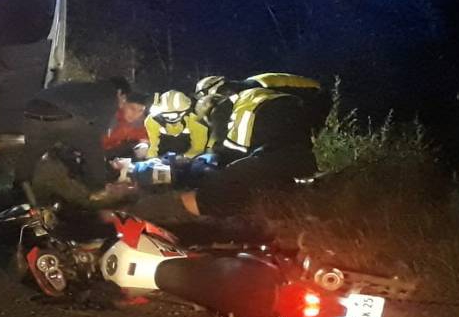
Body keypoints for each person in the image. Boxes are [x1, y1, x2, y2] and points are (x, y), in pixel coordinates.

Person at [129, 75, 323, 220]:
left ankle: (169, 212)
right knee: (274, 172)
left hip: (277, 135)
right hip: (298, 132)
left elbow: (226, 154)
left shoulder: (224, 106)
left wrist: (199, 167)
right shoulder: (257, 87)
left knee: (224, 182)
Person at [14, 76, 131, 192]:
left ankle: (20, 188)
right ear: (119, 92)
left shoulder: (83, 87)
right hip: (61, 115)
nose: (123, 102)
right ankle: (98, 189)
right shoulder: (110, 94)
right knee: (93, 147)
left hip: (31, 112)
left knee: (32, 152)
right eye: (124, 98)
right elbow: (98, 133)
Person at [144, 90, 208, 159]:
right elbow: (153, 146)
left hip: (188, 158)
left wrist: (186, 159)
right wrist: (151, 161)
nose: (167, 118)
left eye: (171, 115)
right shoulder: (152, 120)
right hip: (162, 157)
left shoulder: (196, 121)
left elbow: (198, 148)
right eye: (163, 114)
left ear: (184, 112)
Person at [102, 91, 150, 160]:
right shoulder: (110, 118)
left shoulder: (139, 122)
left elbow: (143, 137)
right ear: (123, 104)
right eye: (132, 108)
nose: (135, 114)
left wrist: (144, 144)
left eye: (140, 111)